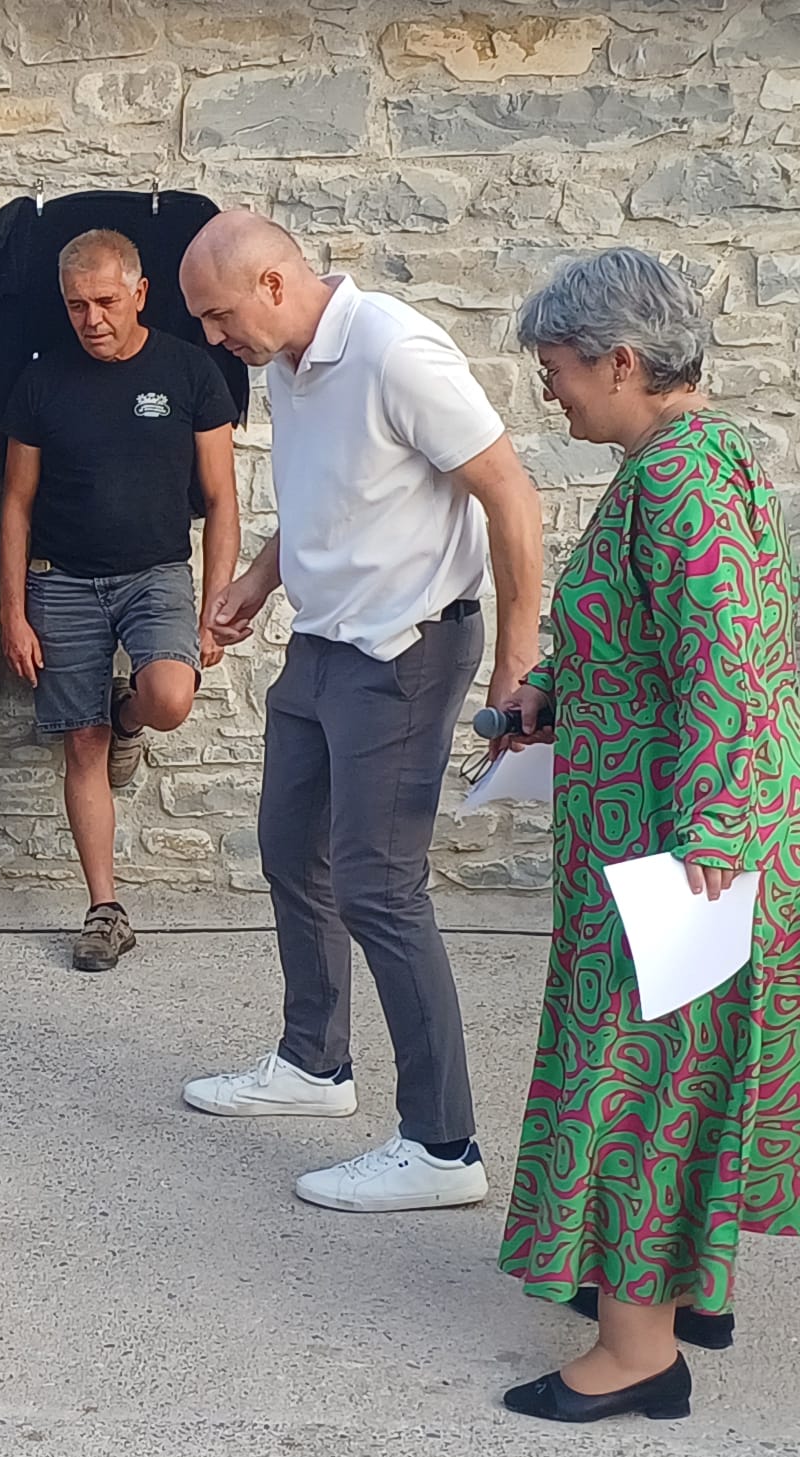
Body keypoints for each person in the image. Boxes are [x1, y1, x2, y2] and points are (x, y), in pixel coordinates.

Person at [177, 210, 544, 1211]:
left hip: (405, 650)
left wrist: (515, 661)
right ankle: (313, 1063)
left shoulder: (393, 350)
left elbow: (509, 496)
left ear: (270, 284)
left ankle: (442, 1147)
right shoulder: (284, 364)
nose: (213, 338)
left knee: (379, 887)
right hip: (323, 641)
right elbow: (325, 495)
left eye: (217, 316)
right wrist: (258, 581)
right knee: (290, 849)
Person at [492, 248, 799, 1423]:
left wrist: (709, 844)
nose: (549, 390)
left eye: (556, 369)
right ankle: (672, 1297)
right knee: (661, 1084)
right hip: (659, 838)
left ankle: (637, 1356)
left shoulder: (676, 484)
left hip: (677, 855)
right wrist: (551, 688)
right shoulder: (687, 461)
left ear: (620, 360)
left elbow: (726, 667)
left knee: (636, 1090)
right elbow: (652, 635)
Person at [0, 228, 240, 972]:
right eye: (77, 305)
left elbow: (222, 499)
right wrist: (13, 612)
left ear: (140, 292)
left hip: (155, 574)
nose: (92, 318)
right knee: (83, 744)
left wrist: (216, 606)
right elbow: (15, 505)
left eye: (105, 301)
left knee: (170, 697)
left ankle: (127, 712)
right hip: (62, 580)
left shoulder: (190, 372)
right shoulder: (42, 381)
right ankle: (105, 910)